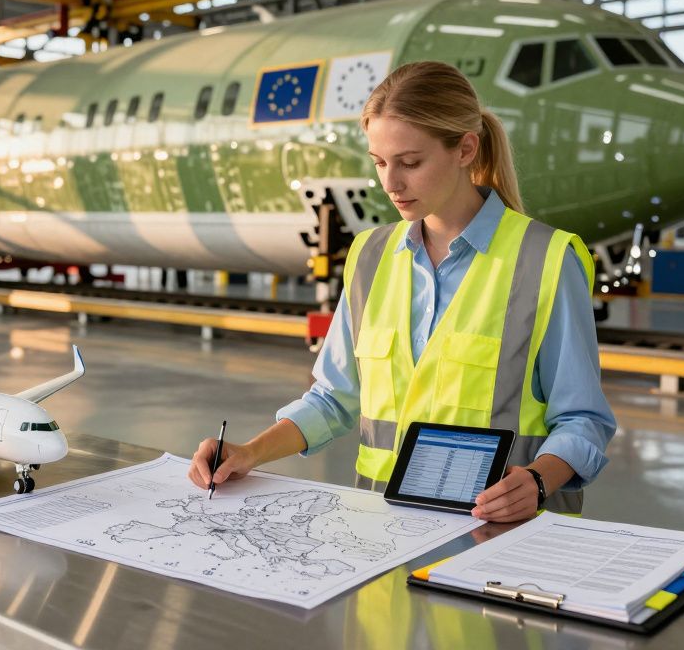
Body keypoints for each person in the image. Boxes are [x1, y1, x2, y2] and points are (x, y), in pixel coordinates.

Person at [187, 62, 616, 522]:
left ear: (466, 149)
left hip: (497, 530)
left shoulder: (546, 259)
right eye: (380, 162)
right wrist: (250, 452)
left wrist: (536, 480)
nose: (390, 183)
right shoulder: (370, 255)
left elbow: (583, 420)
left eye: (411, 163)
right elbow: (333, 398)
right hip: (380, 529)